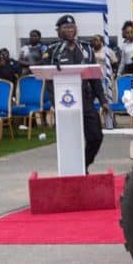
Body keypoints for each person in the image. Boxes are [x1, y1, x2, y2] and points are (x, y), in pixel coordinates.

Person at [46, 14, 102, 168]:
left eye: (72, 27)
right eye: (66, 27)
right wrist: (54, 102)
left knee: (96, 136)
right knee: (70, 140)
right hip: (64, 102)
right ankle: (73, 169)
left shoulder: (86, 49)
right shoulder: (52, 51)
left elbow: (94, 77)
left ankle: (83, 165)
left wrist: (103, 101)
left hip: (85, 100)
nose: (70, 30)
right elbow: (48, 78)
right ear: (58, 31)